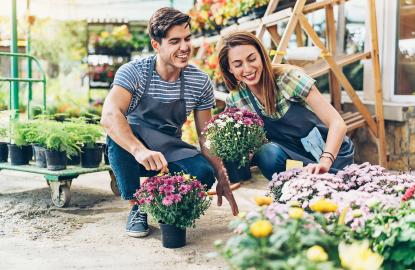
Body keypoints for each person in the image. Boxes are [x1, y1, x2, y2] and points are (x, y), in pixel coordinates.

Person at [101, 7, 238, 238]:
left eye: (187, 39)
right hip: (135, 146)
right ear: (157, 45)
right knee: (116, 136)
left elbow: (205, 134)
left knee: (203, 173)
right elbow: (109, 115)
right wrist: (139, 151)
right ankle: (138, 205)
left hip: (169, 147)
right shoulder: (134, 72)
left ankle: (165, 203)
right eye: (174, 41)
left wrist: (222, 175)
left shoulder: (199, 81)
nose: (184, 48)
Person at [218, 31, 354, 180]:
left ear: (262, 56)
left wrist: (325, 161)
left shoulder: (288, 78)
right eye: (238, 64)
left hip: (327, 153)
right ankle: (305, 181)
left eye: (252, 59)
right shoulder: (236, 99)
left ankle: (322, 177)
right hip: (296, 161)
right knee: (267, 155)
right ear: (229, 68)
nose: (248, 68)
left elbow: (337, 123)